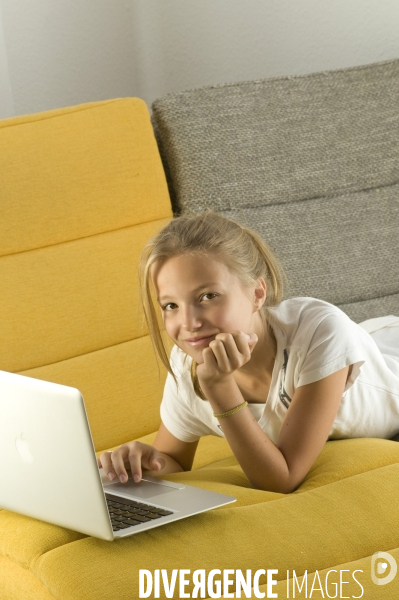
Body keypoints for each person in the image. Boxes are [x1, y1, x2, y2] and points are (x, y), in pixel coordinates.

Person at [98, 209, 399, 494]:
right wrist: (143, 462)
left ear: (257, 293)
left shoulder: (320, 334)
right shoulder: (186, 364)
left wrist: (220, 387)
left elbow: (282, 478)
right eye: (171, 306)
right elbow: (173, 462)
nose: (189, 323)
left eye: (208, 296)